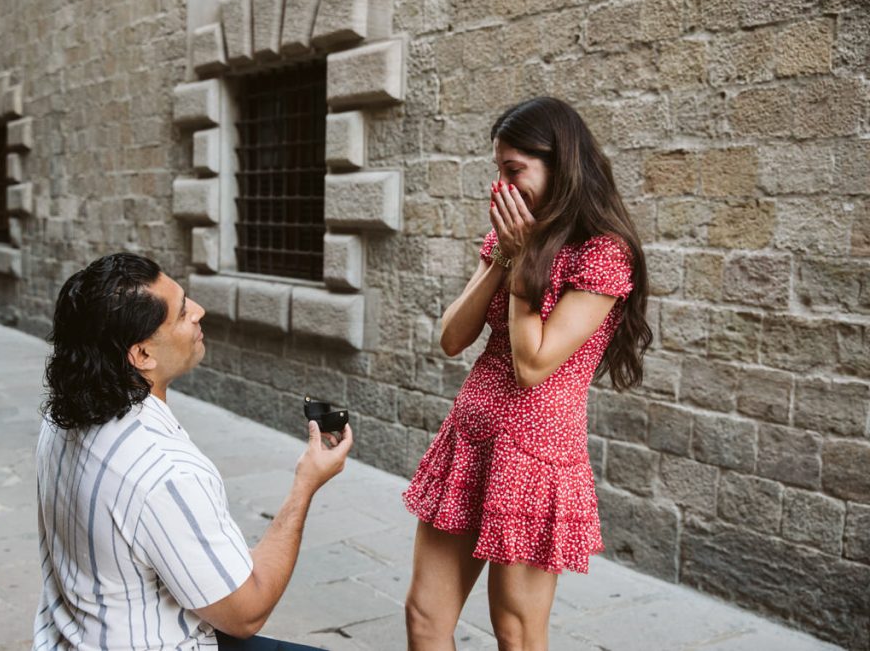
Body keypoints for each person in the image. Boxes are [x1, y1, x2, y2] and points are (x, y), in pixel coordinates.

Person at [402, 97, 652, 651]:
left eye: (514, 171)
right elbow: (452, 337)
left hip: (533, 457)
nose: (503, 186)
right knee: (424, 616)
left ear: (560, 166)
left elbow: (534, 363)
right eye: (499, 171)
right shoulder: (512, 237)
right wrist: (504, 258)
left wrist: (521, 268)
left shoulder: (604, 254)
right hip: (470, 443)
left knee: (515, 632)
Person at [33, 252, 352, 651]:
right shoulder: (166, 472)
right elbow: (246, 613)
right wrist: (305, 485)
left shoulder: (60, 419)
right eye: (183, 313)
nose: (199, 312)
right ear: (143, 355)